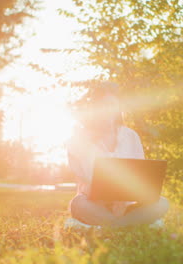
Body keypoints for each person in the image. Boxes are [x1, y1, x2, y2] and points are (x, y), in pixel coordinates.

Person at [66, 82, 169, 227]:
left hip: (128, 206)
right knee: (77, 204)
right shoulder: (79, 140)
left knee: (162, 203)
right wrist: (108, 199)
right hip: (96, 206)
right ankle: (128, 225)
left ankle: (107, 227)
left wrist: (123, 200)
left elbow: (140, 177)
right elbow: (83, 182)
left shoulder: (131, 136)